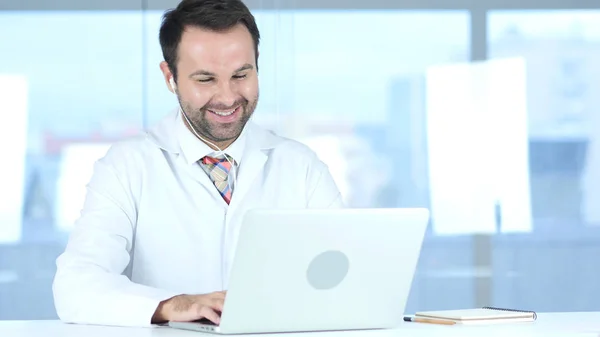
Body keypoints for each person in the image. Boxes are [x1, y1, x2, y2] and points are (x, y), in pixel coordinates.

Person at [52, 0, 342, 328]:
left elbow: (345, 278)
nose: (228, 96)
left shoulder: (302, 168)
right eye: (205, 79)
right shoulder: (127, 167)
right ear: (170, 77)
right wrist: (172, 305)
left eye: (241, 75)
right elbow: (76, 287)